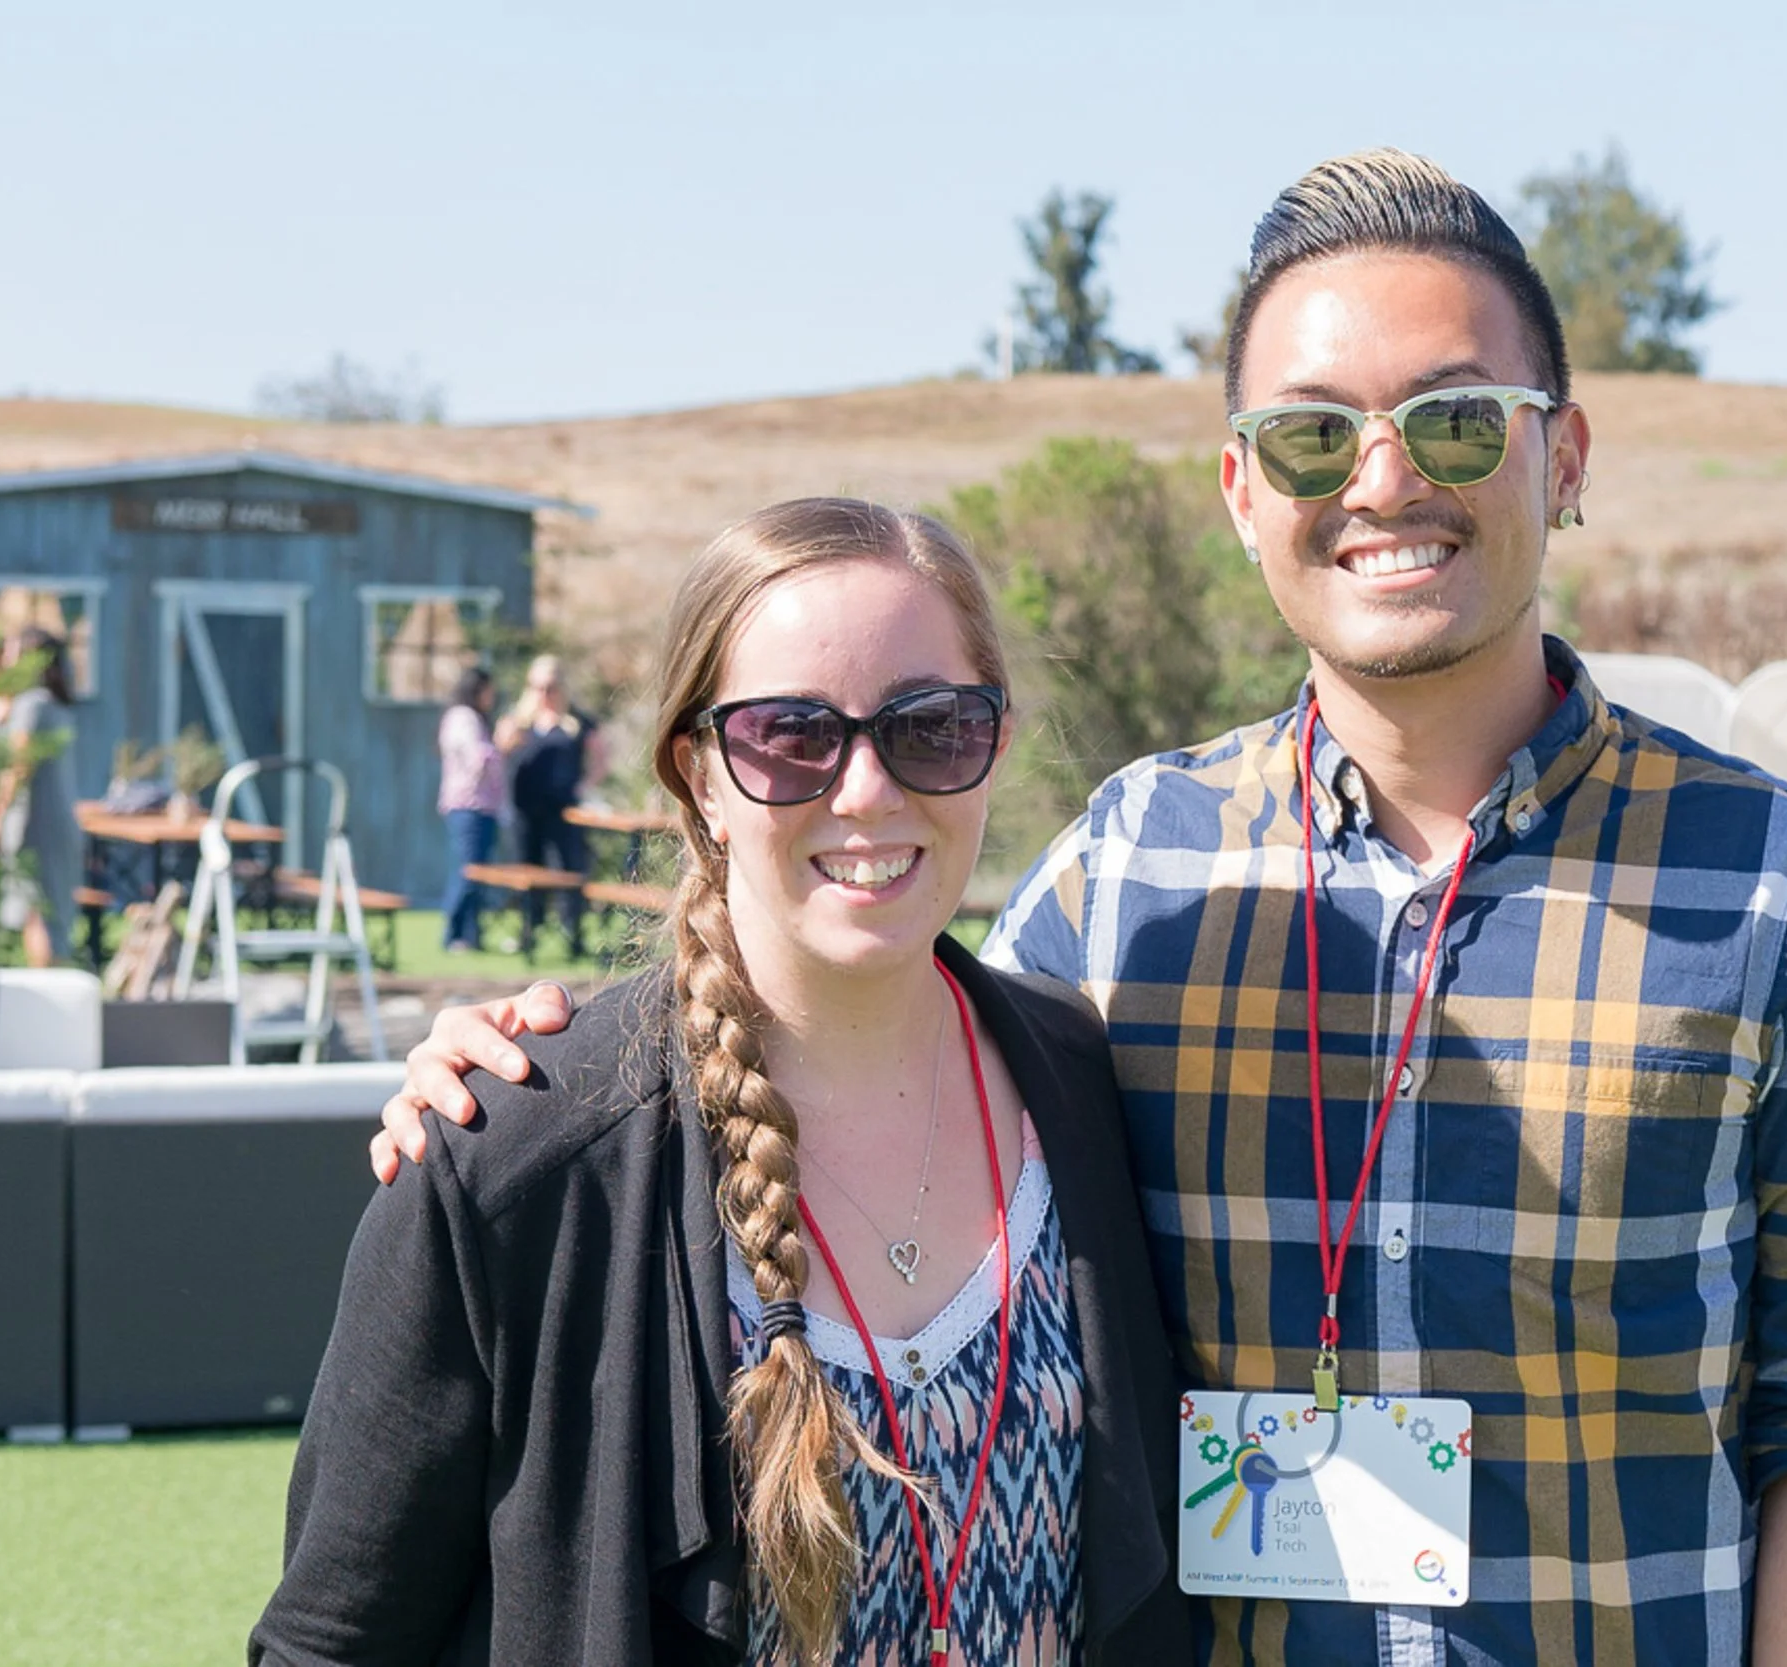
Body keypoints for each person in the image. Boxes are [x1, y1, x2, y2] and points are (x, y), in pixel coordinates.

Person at [379, 151, 1787, 1664]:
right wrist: (532, 1070)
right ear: (1240, 488)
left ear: (1566, 455)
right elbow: (854, 1052)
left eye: (1459, 421)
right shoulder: (1130, 867)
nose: (1387, 478)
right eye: (1312, 436)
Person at [255, 499, 1189, 1666]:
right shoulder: (511, 1153)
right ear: (698, 771)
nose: (864, 790)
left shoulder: (1084, 1086)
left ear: (991, 743)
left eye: (932, 725)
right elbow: (328, 1643)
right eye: (790, 734)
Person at [0, 626, 81, 968]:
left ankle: (43, 995)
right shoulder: (51, 702)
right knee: (49, 912)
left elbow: (18, 766)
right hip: (56, 820)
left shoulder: (31, 704)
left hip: (33, 822)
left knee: (35, 911)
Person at [499, 653, 602, 950]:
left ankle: (572, 933)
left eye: (551, 687)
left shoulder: (577, 722)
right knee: (527, 869)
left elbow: (601, 757)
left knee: (567, 869)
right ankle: (529, 930)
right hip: (525, 808)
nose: (544, 694)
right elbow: (499, 755)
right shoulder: (518, 720)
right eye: (538, 687)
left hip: (564, 809)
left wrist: (586, 784)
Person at [434, 664, 505, 953]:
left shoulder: (474, 718)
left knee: (477, 874)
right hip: (468, 806)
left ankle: (471, 936)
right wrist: (501, 744)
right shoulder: (462, 718)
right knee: (468, 872)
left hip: (481, 808)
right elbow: (477, 759)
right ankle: (452, 934)